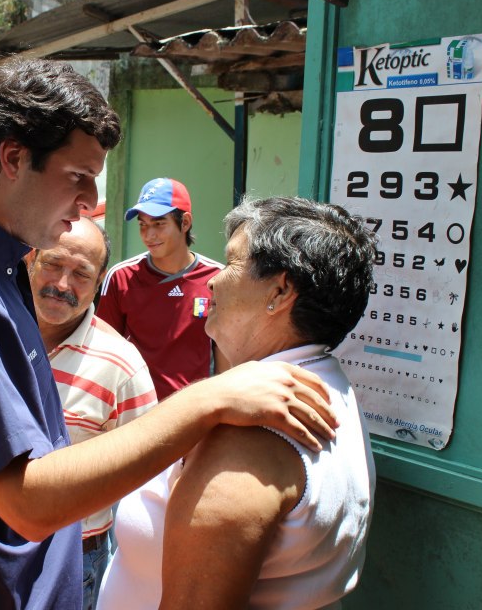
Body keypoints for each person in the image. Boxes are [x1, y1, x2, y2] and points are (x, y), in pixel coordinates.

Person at [0, 58, 337, 610]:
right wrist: (210, 401)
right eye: (78, 176)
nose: (87, 202)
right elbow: (28, 501)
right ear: (13, 158)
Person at [97, 197, 377, 610]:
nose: (213, 281)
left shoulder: (249, 436)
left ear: (279, 291)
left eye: (231, 263)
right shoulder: (327, 382)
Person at [26, 217, 156, 610]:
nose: (63, 284)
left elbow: (146, 472)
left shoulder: (121, 366)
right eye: (53, 264)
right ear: (31, 259)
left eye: (81, 273)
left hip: (74, 555)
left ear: (100, 281)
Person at [97, 178, 225, 400]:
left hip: (195, 414)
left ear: (184, 222)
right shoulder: (121, 277)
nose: (149, 235)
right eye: (142, 225)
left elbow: (225, 357)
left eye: (158, 224)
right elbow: (102, 352)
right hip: (136, 412)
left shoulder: (218, 279)